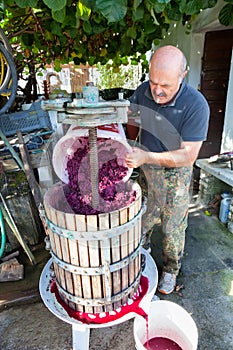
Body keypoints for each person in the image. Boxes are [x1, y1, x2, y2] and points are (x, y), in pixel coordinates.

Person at [125, 45, 210, 294]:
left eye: (166, 86)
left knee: (172, 227)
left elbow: (189, 155)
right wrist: (131, 144)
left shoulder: (196, 105)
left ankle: (170, 271)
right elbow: (131, 116)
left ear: (182, 75)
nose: (157, 91)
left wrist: (146, 155)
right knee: (142, 219)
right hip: (146, 168)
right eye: (154, 82)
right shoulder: (143, 91)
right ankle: (141, 255)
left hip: (176, 171)